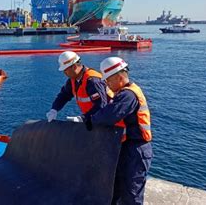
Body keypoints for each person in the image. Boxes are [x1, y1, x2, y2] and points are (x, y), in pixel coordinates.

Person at [85, 57, 153, 205]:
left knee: (132, 193)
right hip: (127, 147)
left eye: (108, 80)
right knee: (118, 188)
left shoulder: (128, 95)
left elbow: (110, 115)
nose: (107, 84)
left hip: (136, 150)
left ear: (119, 76)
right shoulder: (121, 93)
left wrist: (91, 120)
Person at [46, 51, 110, 124]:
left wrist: (83, 118)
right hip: (94, 119)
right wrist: (54, 109)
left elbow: (101, 105)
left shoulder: (92, 81)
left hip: (107, 121)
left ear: (74, 67)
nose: (64, 73)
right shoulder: (73, 80)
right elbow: (64, 95)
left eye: (65, 70)